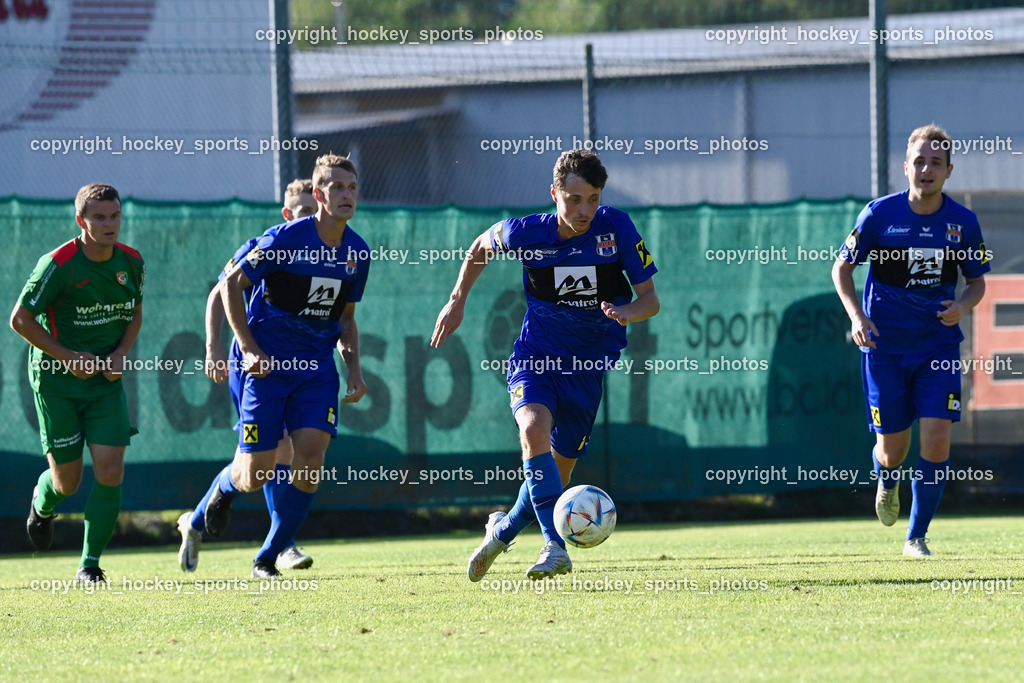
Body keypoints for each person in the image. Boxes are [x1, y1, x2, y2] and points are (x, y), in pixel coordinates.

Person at [431, 149, 659, 580]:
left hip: (587, 370)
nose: (585, 210)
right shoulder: (526, 232)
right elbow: (480, 246)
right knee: (533, 430)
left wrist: (628, 311)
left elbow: (650, 300)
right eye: (574, 199)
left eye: (593, 199)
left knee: (555, 473)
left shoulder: (617, 228)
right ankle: (556, 548)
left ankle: (501, 531)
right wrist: (456, 300)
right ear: (554, 194)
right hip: (536, 357)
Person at [181, 154, 369, 578]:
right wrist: (241, 348)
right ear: (319, 194)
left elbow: (346, 318)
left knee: (310, 459)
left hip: (315, 369)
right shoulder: (282, 240)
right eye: (337, 187)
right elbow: (228, 287)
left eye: (352, 187)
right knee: (258, 470)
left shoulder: (358, 252)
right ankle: (223, 491)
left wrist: (355, 371)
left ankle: (269, 555)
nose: (346, 195)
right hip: (264, 368)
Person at [832, 124, 990, 557]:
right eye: (919, 161)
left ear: (949, 171)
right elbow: (841, 268)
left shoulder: (963, 223)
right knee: (892, 451)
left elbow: (977, 283)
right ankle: (887, 478)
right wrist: (857, 316)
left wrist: (962, 306)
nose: (926, 169)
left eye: (936, 162)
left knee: (937, 438)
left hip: (937, 347)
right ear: (906, 167)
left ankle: (916, 537)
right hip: (883, 348)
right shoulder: (878, 215)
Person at [176, 179, 319, 572]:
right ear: (287, 214)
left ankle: (199, 522)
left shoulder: (331, 255)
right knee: (274, 453)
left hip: (299, 366)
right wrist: (213, 349)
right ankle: (281, 544)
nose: (311, 218)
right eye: (303, 211)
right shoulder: (268, 246)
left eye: (315, 210)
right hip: (255, 363)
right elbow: (220, 291)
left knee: (269, 458)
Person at [11, 183, 145, 584]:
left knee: (111, 470)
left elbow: (135, 312)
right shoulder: (57, 264)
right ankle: (42, 503)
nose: (109, 224)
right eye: (99, 217)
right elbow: (20, 320)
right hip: (57, 385)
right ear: (80, 221)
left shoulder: (132, 261)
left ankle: (90, 565)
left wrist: (120, 354)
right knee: (67, 482)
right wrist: (68, 357)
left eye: (115, 215)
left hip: (103, 384)